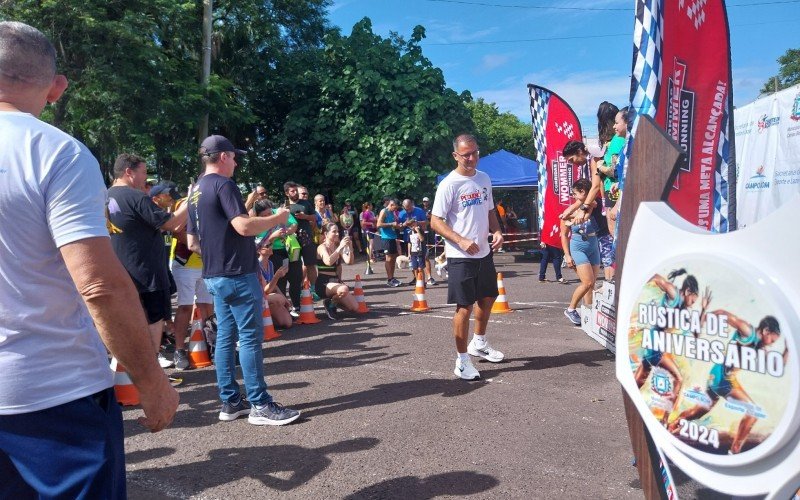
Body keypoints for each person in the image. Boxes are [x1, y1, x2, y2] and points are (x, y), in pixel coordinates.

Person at [0, 21, 177, 498]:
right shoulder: (55, 152)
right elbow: (98, 284)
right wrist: (151, 380)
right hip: (51, 396)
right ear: (56, 88)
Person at [187, 135, 300, 426]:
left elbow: (192, 242)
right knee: (249, 338)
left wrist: (219, 252)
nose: (236, 161)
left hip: (214, 274)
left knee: (226, 337)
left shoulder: (195, 190)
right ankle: (260, 405)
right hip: (237, 273)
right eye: (234, 156)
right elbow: (243, 225)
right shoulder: (224, 185)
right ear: (223, 156)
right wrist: (278, 218)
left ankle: (231, 401)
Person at [430, 134, 505, 381]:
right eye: (466, 155)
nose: (472, 158)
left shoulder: (484, 179)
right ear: (455, 155)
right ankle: (462, 361)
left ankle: (479, 342)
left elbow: (490, 209)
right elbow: (435, 221)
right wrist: (460, 240)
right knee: (465, 307)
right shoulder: (449, 184)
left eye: (475, 153)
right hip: (460, 255)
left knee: (488, 298)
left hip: (484, 252)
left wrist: (496, 230)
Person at [108, 153, 189, 370]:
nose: (145, 179)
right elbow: (170, 224)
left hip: (120, 270)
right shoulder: (136, 197)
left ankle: (128, 370)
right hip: (146, 271)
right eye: (143, 172)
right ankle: (152, 372)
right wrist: (191, 203)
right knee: (154, 320)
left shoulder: (104, 196)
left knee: (128, 324)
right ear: (128, 172)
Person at [667, 313, 786, 454]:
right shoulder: (747, 330)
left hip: (719, 374)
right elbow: (724, 314)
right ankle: (734, 452)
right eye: (772, 340)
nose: (771, 344)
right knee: (752, 412)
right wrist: (702, 320)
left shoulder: (761, 347)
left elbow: (778, 365)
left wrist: (788, 350)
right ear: (766, 331)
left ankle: (672, 425)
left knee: (699, 412)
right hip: (723, 377)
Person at [634, 269, 708, 422]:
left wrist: (704, 310)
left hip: (657, 343)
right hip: (656, 343)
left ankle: (632, 403)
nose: (692, 304)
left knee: (641, 377)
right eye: (693, 300)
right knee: (678, 379)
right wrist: (636, 286)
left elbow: (695, 334)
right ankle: (665, 419)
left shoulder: (684, 308)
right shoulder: (674, 294)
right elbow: (657, 278)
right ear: (688, 291)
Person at [169, 191, 214, 370]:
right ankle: (179, 349)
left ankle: (209, 344)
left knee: (207, 306)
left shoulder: (213, 203)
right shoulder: (184, 203)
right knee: (185, 306)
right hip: (185, 263)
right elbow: (177, 232)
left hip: (206, 263)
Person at [560, 178, 600, 326]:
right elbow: (563, 234)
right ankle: (571, 309)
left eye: (575, 193)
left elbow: (590, 206)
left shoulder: (592, 204)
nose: (574, 196)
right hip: (578, 246)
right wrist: (567, 255)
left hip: (593, 245)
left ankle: (589, 314)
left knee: (592, 284)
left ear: (584, 192)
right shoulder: (570, 209)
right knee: (587, 282)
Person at [254, 199, 303, 317]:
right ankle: (284, 307)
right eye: (264, 216)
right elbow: (260, 244)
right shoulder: (257, 223)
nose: (268, 217)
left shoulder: (280, 212)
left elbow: (294, 224)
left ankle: (296, 307)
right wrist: (273, 237)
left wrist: (289, 230)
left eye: (269, 214)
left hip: (290, 249)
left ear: (272, 209)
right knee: (280, 279)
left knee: (296, 277)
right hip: (273, 252)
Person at [253, 223, 293, 330]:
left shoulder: (270, 263)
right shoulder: (256, 266)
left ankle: (267, 320)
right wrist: (277, 277)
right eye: (267, 246)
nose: (271, 247)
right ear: (258, 250)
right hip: (259, 298)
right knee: (279, 299)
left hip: (268, 298)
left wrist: (285, 299)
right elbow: (265, 290)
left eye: (271, 245)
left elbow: (274, 287)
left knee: (287, 323)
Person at [316, 223, 358, 319]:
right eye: (334, 232)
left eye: (338, 231)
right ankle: (330, 304)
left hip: (335, 282)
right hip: (324, 283)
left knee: (354, 308)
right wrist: (340, 248)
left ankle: (332, 302)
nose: (337, 234)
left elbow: (349, 261)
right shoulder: (322, 247)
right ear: (326, 234)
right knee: (344, 289)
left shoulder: (338, 246)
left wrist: (350, 248)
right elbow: (328, 261)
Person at [284, 181, 318, 298]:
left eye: (296, 190)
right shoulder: (285, 206)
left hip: (307, 238)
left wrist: (305, 217)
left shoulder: (306, 203)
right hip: (292, 240)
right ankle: (296, 290)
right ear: (287, 193)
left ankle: (313, 289)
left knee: (310, 264)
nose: (295, 193)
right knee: (295, 266)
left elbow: (315, 217)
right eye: (292, 191)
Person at [399, 198, 435, 285]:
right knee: (412, 259)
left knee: (424, 257)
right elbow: (399, 227)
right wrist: (404, 224)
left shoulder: (419, 210)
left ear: (412, 204)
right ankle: (416, 278)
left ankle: (429, 277)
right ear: (403, 207)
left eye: (410, 208)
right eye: (406, 208)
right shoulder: (401, 213)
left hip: (420, 235)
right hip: (408, 238)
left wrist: (417, 223)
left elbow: (427, 222)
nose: (408, 210)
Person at [376, 198, 402, 287]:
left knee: (394, 258)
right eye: (395, 208)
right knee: (389, 258)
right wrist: (392, 224)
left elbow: (393, 225)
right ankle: (389, 279)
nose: (395, 210)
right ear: (391, 205)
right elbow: (378, 224)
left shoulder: (392, 212)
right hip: (386, 238)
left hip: (393, 237)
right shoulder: (384, 211)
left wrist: (399, 226)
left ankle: (392, 277)